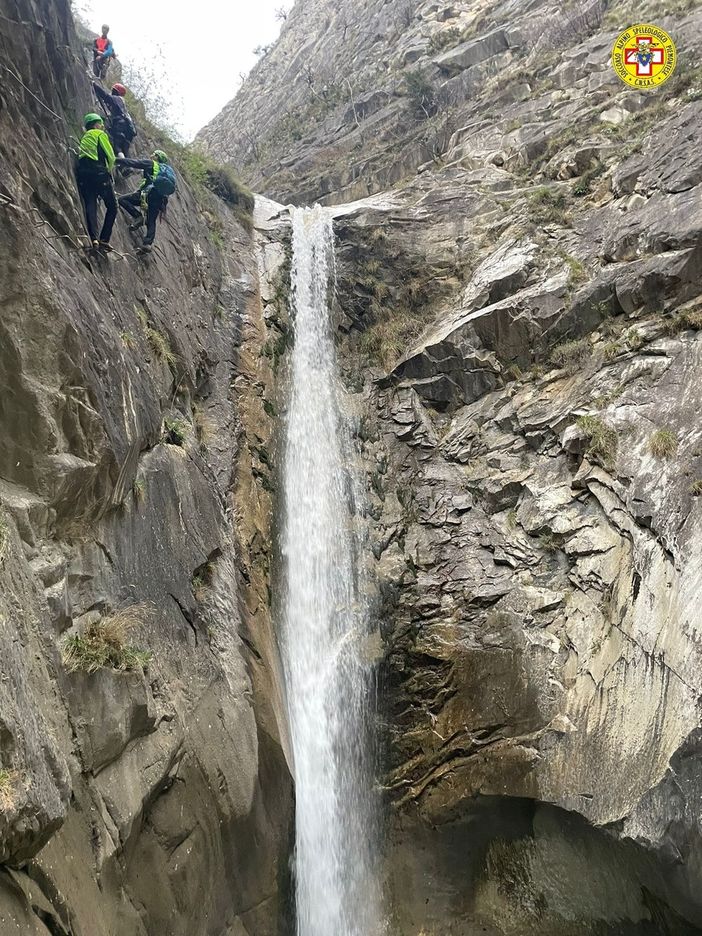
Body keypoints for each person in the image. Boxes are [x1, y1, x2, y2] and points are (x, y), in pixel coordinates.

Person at [117, 151, 176, 250]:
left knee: (122, 199)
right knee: (151, 220)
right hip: (159, 199)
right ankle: (147, 244)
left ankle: (138, 217)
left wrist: (116, 160)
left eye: (154, 154)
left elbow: (133, 163)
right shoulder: (166, 172)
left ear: (157, 157)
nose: (151, 155)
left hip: (148, 193)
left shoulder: (151, 163)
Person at [76, 113, 117, 249]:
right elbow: (111, 157)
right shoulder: (99, 134)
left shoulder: (85, 137)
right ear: (95, 124)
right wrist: (109, 171)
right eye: (100, 123)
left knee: (90, 204)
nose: (102, 126)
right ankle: (104, 239)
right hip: (99, 173)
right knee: (112, 207)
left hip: (83, 174)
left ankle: (93, 238)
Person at [92, 81, 136, 157]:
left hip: (120, 124)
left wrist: (95, 85)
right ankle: (127, 166)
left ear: (115, 91)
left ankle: (122, 163)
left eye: (113, 90)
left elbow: (106, 97)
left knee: (117, 147)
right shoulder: (122, 104)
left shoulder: (117, 99)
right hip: (128, 129)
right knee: (125, 149)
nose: (111, 92)